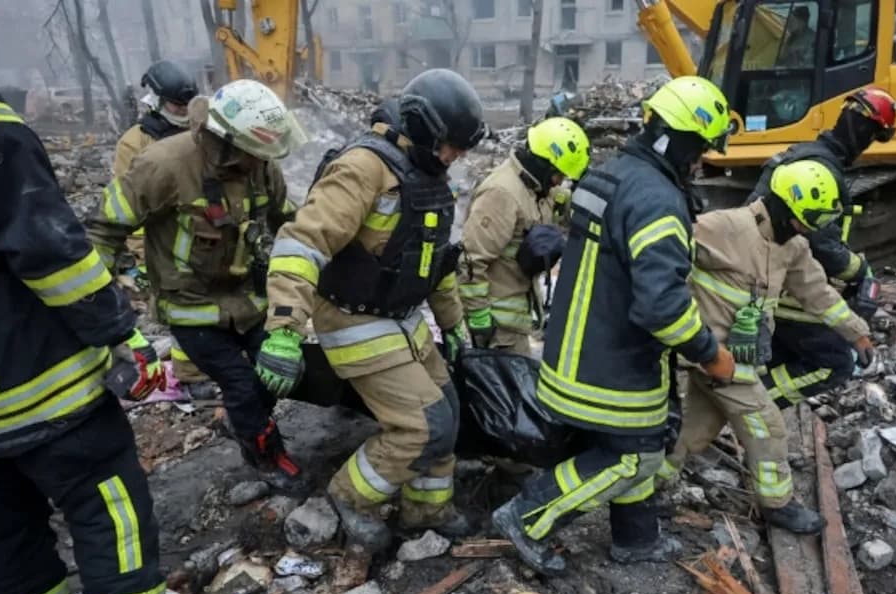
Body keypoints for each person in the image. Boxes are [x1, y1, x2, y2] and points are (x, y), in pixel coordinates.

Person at [491, 76, 737, 576]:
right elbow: (662, 307)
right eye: (702, 149)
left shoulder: (610, 173)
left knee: (632, 443)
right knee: (638, 456)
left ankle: (636, 538)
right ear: (685, 139)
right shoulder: (657, 201)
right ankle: (526, 517)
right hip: (609, 367)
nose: (702, 162)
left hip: (572, 351)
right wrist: (711, 353)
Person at [256, 68, 487, 551]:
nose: (457, 158)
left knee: (447, 412)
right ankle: (349, 497)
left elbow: (435, 264)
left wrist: (453, 322)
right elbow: (302, 242)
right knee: (421, 426)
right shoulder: (363, 168)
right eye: (453, 146)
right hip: (354, 319)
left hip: (401, 318)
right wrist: (284, 328)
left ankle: (426, 509)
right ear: (424, 128)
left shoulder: (428, 176)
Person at [0, 72, 172, 594]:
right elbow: (50, 252)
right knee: (113, 533)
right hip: (42, 389)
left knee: (5, 563)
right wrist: (117, 331)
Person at [87, 79, 309, 493]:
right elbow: (103, 229)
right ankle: (264, 456)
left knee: (275, 375)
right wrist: (99, 303)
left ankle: (241, 423)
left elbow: (290, 224)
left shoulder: (261, 164)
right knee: (240, 384)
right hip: (191, 306)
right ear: (223, 139)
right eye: (252, 153)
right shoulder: (165, 164)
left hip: (250, 300)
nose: (258, 162)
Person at [659, 160, 876, 536]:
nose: (813, 227)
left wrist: (856, 333)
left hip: (739, 356)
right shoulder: (724, 227)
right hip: (715, 355)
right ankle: (778, 505)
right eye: (812, 217)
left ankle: (647, 486)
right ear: (791, 209)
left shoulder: (791, 247)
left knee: (696, 430)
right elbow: (660, 252)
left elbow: (817, 291)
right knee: (769, 428)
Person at [746, 86, 896, 408]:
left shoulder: (805, 153)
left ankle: (753, 392)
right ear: (867, 133)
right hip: (774, 284)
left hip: (762, 273)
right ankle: (748, 406)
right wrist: (861, 272)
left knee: (792, 346)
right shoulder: (824, 170)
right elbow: (824, 249)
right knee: (835, 360)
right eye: (873, 136)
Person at [113, 59, 212, 396]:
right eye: (176, 105)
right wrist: (140, 257)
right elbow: (128, 204)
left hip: (206, 232)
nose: (183, 112)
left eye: (187, 105)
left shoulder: (201, 132)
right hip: (163, 239)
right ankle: (192, 376)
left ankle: (221, 362)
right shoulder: (135, 143)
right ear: (154, 100)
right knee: (183, 311)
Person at [460, 116, 590, 354]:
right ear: (543, 163)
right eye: (557, 174)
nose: (559, 181)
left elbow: (557, 207)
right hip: (499, 326)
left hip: (518, 317)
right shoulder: (502, 194)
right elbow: (470, 260)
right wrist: (479, 317)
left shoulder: (537, 188)